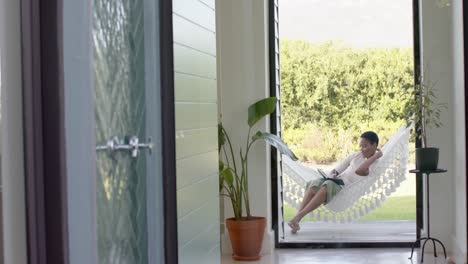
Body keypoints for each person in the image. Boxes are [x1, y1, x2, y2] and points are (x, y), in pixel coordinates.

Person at [287, 131, 383, 234]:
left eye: (365, 146)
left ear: (374, 145)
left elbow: (359, 170)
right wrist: (332, 175)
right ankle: (296, 220)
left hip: (346, 189)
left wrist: (375, 157)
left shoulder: (375, 164)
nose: (361, 149)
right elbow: (337, 169)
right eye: (360, 146)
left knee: (326, 186)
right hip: (336, 181)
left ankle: (298, 217)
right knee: (314, 184)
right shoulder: (355, 155)